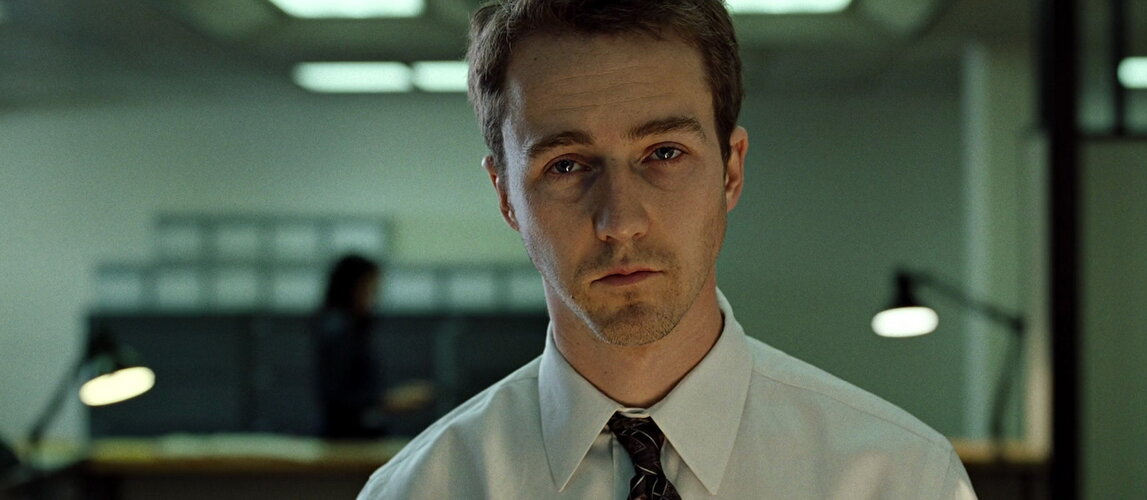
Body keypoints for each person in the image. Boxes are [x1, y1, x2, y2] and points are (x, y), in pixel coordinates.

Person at [360, 1, 977, 498]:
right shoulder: (419, 490)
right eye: (567, 165)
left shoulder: (901, 480)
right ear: (505, 197)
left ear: (731, 171)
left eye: (664, 153)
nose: (621, 222)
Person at [314, 254, 433, 439]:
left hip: (355, 433)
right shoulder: (339, 330)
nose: (374, 297)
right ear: (354, 287)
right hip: (347, 438)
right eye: (370, 288)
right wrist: (389, 401)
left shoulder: (351, 327)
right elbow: (337, 395)